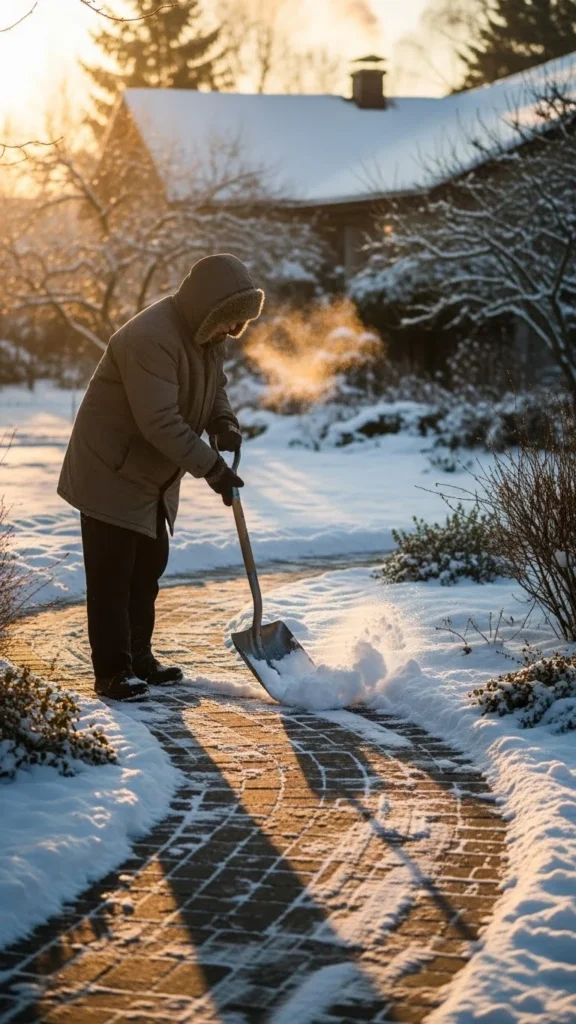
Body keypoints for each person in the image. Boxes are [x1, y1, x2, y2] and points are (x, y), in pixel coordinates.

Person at [58, 254, 264, 701]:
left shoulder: (205, 336)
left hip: (152, 475)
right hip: (111, 470)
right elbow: (160, 421)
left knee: (147, 568)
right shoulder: (150, 337)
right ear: (210, 309)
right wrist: (213, 469)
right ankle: (112, 672)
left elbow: (214, 388)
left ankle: (139, 659)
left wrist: (222, 422)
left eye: (238, 322)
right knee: (113, 575)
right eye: (230, 319)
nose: (234, 330)